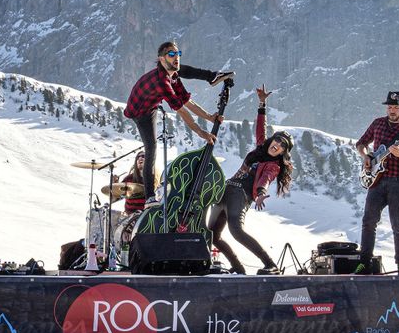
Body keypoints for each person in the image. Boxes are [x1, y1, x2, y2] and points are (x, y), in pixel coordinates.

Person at [123, 41, 231, 206]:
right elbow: (182, 111)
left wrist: (210, 117)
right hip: (139, 112)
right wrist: (201, 132)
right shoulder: (162, 82)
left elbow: (187, 101)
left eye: (178, 53)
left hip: (151, 104)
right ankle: (149, 197)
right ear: (161, 59)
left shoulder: (173, 74)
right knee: (151, 147)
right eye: (171, 54)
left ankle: (213, 76)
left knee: (183, 69)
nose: (177, 57)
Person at [208, 86, 294, 275]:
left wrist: (261, 194)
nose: (277, 145)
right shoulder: (261, 148)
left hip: (240, 194)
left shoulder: (273, 165)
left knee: (237, 231)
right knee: (212, 235)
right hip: (225, 190)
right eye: (277, 140)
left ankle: (270, 264)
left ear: (283, 152)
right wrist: (262, 103)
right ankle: (238, 267)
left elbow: (265, 179)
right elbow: (260, 128)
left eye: (282, 145)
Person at [354, 91, 399, 274]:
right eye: (389, 107)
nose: (391, 110)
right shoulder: (378, 123)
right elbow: (361, 143)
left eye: (395, 107)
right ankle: (364, 262)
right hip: (376, 180)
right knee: (368, 221)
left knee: (398, 225)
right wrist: (366, 156)